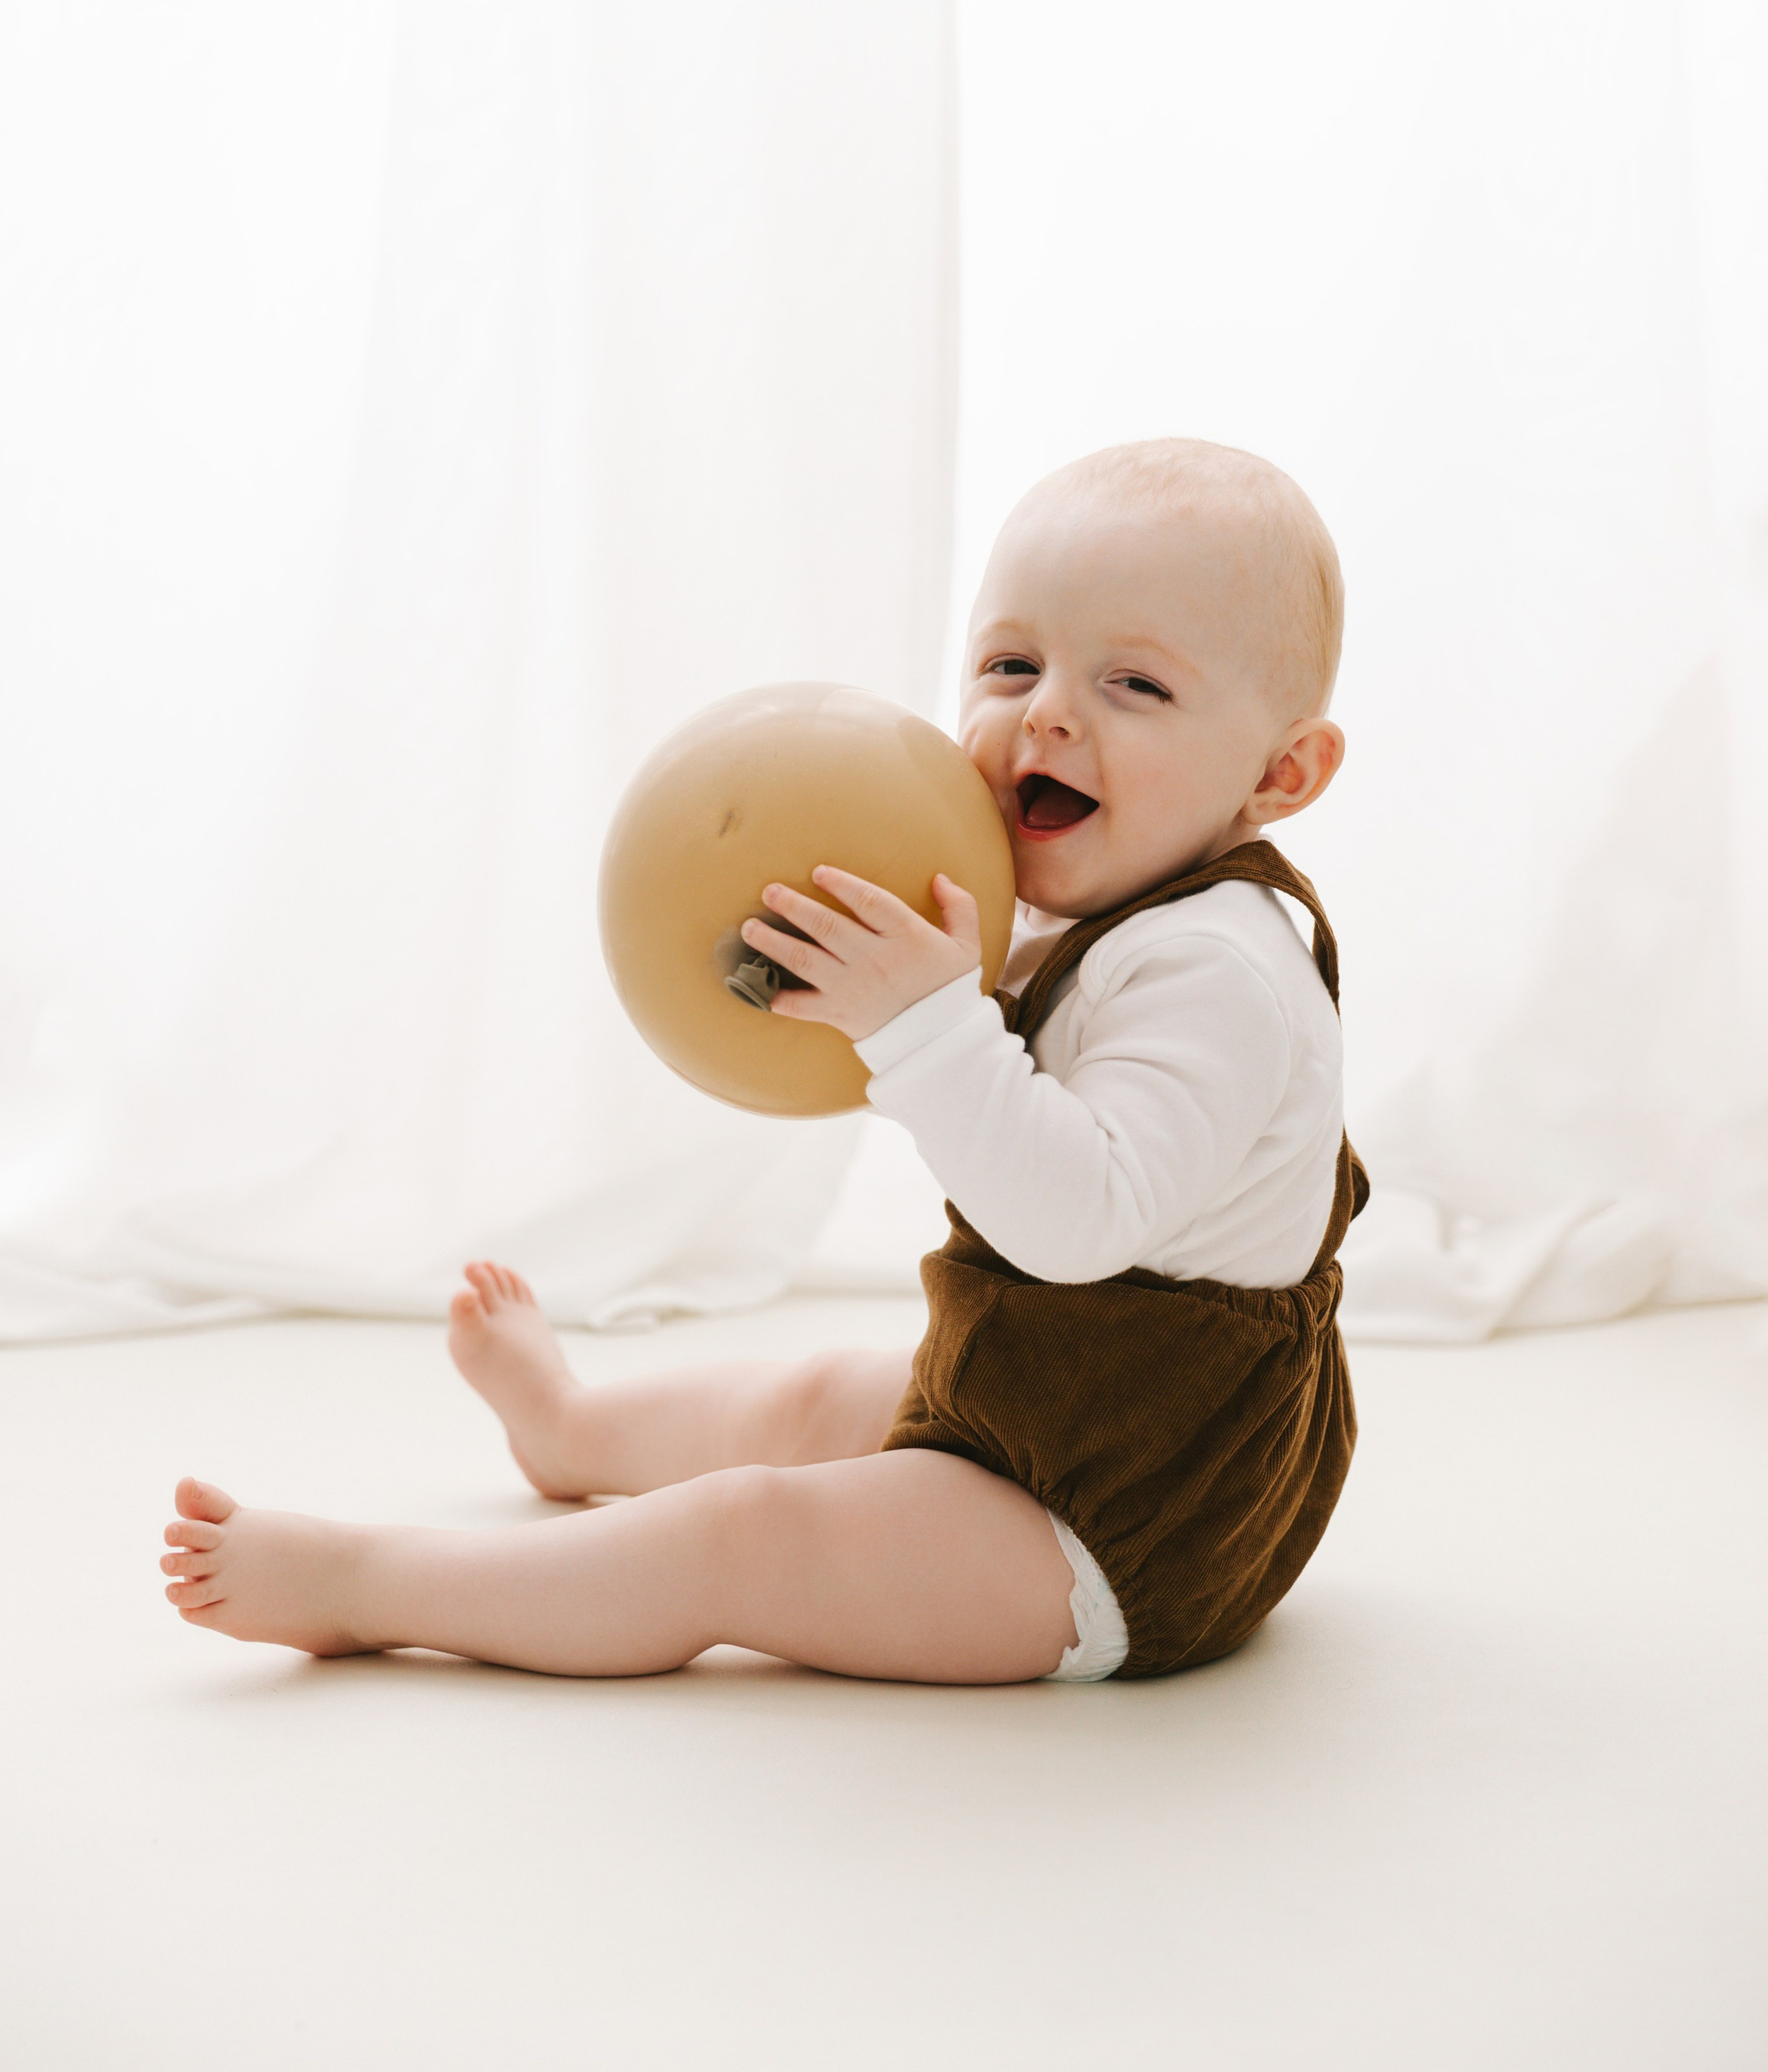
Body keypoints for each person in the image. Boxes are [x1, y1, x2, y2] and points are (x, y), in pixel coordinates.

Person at [158, 437, 1362, 1685]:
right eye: (1012, 663)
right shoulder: (1097, 906)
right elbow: (985, 1096)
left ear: (1282, 772)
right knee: (812, 1400)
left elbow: (1082, 1218)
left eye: (1134, 686)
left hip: (1136, 1517)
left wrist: (930, 1026)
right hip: (1054, 1398)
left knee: (746, 1537)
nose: (1045, 710)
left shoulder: (1217, 972)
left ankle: (371, 1587)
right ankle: (572, 1429)